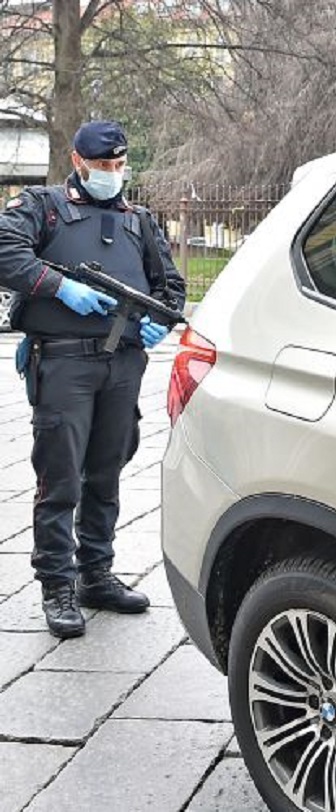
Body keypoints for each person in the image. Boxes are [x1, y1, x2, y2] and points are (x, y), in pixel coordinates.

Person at [0, 120, 185, 638]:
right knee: (59, 478)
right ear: (79, 162)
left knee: (106, 471)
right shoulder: (42, 206)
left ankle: (95, 574)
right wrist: (59, 288)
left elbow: (170, 284)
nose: (113, 174)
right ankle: (57, 584)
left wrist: (160, 320)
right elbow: (5, 251)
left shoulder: (139, 221)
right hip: (62, 361)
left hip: (122, 363)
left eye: (119, 166)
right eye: (103, 166)